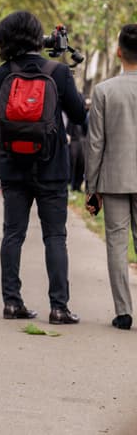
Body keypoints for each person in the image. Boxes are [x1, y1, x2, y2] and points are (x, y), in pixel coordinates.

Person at [0, 10, 86, 324]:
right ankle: (59, 307)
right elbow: (80, 115)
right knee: (55, 236)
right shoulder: (57, 73)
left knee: (12, 234)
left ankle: (12, 302)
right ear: (37, 36)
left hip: (13, 165)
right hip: (52, 166)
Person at [85, 23, 137, 331]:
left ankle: (123, 311)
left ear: (118, 52)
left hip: (114, 179)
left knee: (116, 244)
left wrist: (91, 187)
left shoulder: (104, 91)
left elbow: (95, 143)